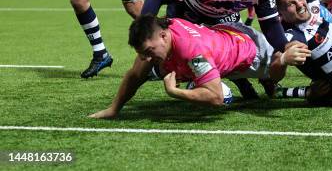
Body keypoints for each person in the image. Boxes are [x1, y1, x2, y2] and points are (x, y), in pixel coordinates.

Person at [88, 14, 310, 119]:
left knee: (275, 72)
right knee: (145, 70)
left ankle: (279, 64)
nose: (146, 58)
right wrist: (113, 109)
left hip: (250, 52)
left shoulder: (192, 52)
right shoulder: (165, 27)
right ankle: (217, 75)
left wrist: (175, 92)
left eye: (148, 52)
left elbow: (216, 98)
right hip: (221, 34)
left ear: (164, 36)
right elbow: (135, 75)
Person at [141, 0, 288, 98]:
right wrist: (145, 32)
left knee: (234, 52)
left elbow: (271, 25)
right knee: (172, 62)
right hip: (188, 17)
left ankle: (254, 79)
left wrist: (286, 49)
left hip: (224, 18)